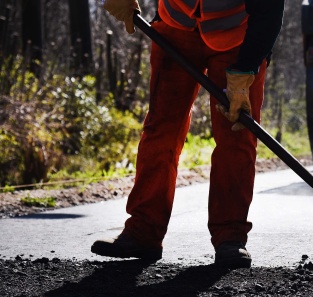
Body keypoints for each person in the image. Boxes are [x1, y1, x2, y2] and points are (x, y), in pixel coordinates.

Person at [91, 0, 285, 268]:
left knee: (236, 135)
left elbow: (269, 11)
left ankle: (230, 236)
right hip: (176, 28)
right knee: (161, 130)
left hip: (237, 39)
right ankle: (143, 232)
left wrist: (245, 71)